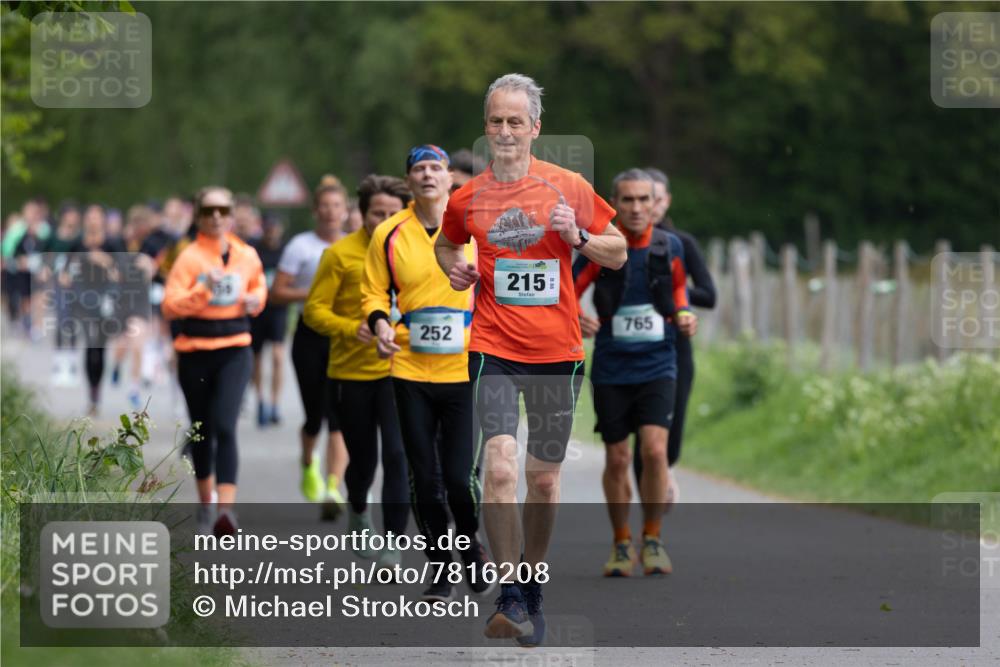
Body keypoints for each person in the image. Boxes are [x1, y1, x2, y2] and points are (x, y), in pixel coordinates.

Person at [435, 73, 626, 645]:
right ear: (485, 126)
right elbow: (446, 242)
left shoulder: (568, 187)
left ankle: (532, 581)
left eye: (515, 122)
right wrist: (455, 268)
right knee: (498, 466)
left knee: (542, 480)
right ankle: (510, 592)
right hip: (492, 347)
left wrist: (579, 239)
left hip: (556, 353)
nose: (504, 131)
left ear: (535, 127)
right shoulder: (467, 196)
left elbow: (618, 252)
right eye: (496, 121)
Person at [363, 147, 494, 603]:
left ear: (449, 178)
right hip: (410, 367)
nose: (427, 175)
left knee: (459, 478)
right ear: (408, 181)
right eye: (418, 169)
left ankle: (470, 545)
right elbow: (373, 293)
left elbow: (501, 280)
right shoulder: (389, 232)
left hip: (466, 366)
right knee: (423, 476)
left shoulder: (476, 225)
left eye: (435, 168)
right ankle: (439, 566)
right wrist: (381, 326)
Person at [573, 168, 696, 577]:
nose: (637, 208)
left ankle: (653, 537)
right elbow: (568, 291)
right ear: (614, 204)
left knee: (655, 451)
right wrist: (577, 316)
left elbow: (678, 289)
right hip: (612, 367)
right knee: (617, 457)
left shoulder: (669, 245)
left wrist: (684, 313)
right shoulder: (601, 245)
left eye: (645, 199)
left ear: (655, 202)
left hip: (659, 363)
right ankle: (622, 542)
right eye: (628, 200)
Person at [304, 174, 412, 571]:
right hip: (352, 372)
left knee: (398, 457)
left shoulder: (415, 249)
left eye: (392, 213)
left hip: (402, 369)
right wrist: (352, 328)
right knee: (363, 460)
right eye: (376, 213)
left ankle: (393, 544)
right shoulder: (339, 255)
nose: (384, 221)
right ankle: (359, 509)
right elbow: (314, 311)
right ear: (361, 214)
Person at [162, 186, 266, 536]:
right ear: (199, 217)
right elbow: (170, 306)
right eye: (209, 211)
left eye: (223, 210)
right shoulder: (189, 258)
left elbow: (259, 286)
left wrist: (256, 299)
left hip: (235, 350)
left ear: (232, 215)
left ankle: (226, 511)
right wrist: (204, 289)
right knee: (202, 430)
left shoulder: (246, 255)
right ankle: (206, 503)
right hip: (195, 352)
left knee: (225, 425)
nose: (217, 217)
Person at [629, 168, 717, 503]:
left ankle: (665, 470)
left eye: (655, 198)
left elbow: (709, 295)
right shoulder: (620, 241)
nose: (648, 205)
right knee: (644, 439)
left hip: (674, 351)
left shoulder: (682, 244)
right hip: (629, 350)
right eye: (641, 197)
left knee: (670, 439)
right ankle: (649, 515)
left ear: (665, 201)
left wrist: (669, 289)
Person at [270, 176, 349, 515]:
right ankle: (307, 463)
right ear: (316, 211)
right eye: (325, 206)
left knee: (339, 416)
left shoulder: (354, 245)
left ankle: (333, 486)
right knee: (314, 415)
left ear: (345, 211)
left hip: (344, 336)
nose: (331, 212)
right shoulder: (300, 246)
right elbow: (277, 292)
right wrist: (315, 293)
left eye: (337, 206)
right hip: (309, 335)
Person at [250, 215, 289, 427]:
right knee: (257, 357)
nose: (272, 233)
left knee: (277, 355)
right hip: (258, 308)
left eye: (275, 229)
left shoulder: (286, 250)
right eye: (268, 229)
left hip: (278, 308)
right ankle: (261, 401)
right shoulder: (254, 248)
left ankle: (275, 403)